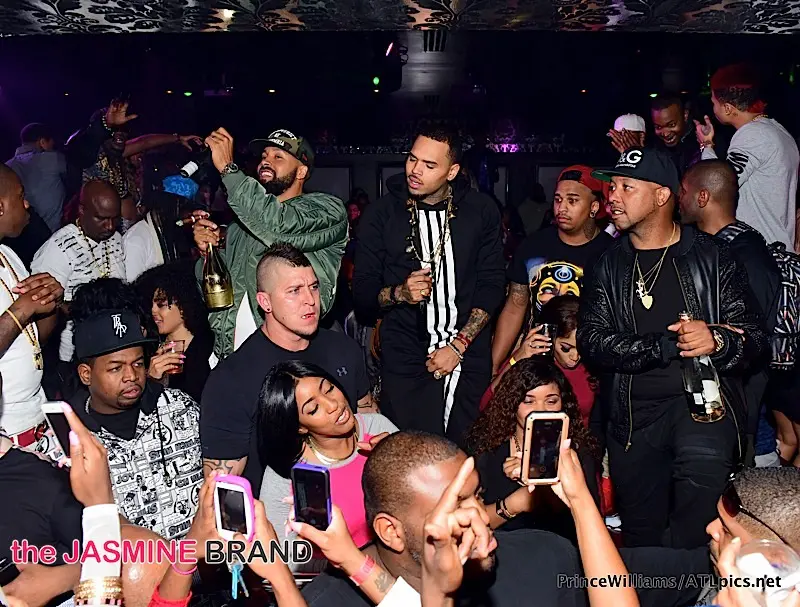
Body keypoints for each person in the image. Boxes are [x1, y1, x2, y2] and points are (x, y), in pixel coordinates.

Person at [578, 146, 768, 550]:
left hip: (702, 408)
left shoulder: (713, 257)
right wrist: (665, 345)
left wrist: (718, 340)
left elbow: (755, 338)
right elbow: (592, 341)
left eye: (627, 187)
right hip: (632, 421)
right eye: (612, 187)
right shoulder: (606, 265)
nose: (612, 197)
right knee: (642, 538)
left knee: (697, 522)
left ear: (662, 195)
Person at [300, 430, 587, 607]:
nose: (481, 517)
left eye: (478, 496)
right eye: (454, 507)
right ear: (391, 532)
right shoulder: (324, 602)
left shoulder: (549, 556)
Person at [353, 123, 505, 445]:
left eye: (429, 164)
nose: (415, 170)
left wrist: (459, 346)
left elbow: (492, 285)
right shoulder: (382, 214)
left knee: (465, 453)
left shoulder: (480, 211)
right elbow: (362, 296)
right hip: (405, 356)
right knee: (413, 453)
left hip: (467, 352)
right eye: (412, 159)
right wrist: (400, 293)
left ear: (452, 171)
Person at [201, 243, 373, 495]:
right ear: (265, 302)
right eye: (294, 291)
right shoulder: (231, 379)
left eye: (313, 287)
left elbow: (368, 419)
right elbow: (222, 487)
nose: (310, 300)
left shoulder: (344, 348)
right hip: (278, 512)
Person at [191, 128, 348, 360]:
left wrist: (228, 169)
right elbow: (213, 293)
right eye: (264, 156)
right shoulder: (239, 227)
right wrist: (208, 253)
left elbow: (279, 228)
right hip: (233, 358)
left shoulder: (327, 210)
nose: (266, 161)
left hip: (287, 359)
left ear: (302, 171)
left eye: (278, 157)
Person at [68, 302, 203, 541]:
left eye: (138, 363)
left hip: (201, 557)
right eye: (116, 368)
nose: (131, 376)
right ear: (86, 374)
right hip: (127, 564)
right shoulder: (69, 442)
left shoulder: (180, 408)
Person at [678, 159, 783, 466]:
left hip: (739, 402)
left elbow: (754, 337)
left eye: (683, 191)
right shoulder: (711, 248)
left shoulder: (747, 255)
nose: (678, 198)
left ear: (702, 197)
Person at [256, 361, 397, 568]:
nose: (333, 405)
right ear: (300, 427)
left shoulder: (377, 427)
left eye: (329, 388)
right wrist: (348, 564)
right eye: (314, 409)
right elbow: (282, 561)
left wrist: (395, 461)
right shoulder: (285, 473)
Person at [491, 165, 612, 376]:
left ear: (594, 207)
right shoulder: (533, 246)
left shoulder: (612, 253)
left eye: (572, 201)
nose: (561, 208)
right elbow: (514, 307)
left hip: (591, 367)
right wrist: (494, 364)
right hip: (537, 363)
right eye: (557, 199)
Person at [464, 359, 599, 542]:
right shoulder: (487, 449)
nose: (541, 410)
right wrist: (515, 503)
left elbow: (590, 524)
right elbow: (470, 524)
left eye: (551, 401)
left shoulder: (575, 452)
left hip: (559, 549)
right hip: (502, 548)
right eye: (529, 401)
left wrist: (546, 480)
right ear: (512, 404)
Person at [31, 179, 126, 387]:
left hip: (114, 345)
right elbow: (41, 309)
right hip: (73, 359)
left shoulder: (116, 239)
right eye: (102, 218)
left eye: (114, 218)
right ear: (82, 210)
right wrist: (81, 309)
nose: (110, 226)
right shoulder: (58, 248)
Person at [697, 63, 800, 249]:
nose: (713, 108)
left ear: (728, 108)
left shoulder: (752, 135)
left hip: (764, 251)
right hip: (775, 248)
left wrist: (705, 145)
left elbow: (717, 185)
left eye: (713, 103)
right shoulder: (776, 130)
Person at [0, 165, 64, 454]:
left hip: (38, 422)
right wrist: (23, 308)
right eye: (20, 195)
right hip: (7, 436)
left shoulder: (8, 254)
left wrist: (50, 301)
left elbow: (34, 339)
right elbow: (20, 315)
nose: (26, 204)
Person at [136, 262, 214, 403]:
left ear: (183, 305)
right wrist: (152, 380)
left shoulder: (209, 347)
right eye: (151, 304)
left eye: (161, 304)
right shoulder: (149, 349)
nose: (153, 310)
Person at [124, 176, 201, 282]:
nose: (188, 215)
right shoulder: (136, 239)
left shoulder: (173, 234)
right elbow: (132, 286)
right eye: (182, 208)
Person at [5, 122, 67, 233]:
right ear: (42, 142)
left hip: (19, 238)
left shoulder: (6, 168)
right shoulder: (53, 159)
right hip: (55, 235)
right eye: (52, 145)